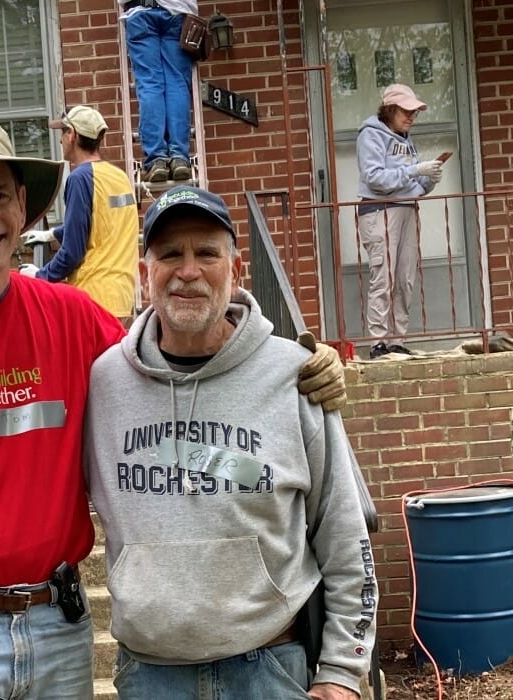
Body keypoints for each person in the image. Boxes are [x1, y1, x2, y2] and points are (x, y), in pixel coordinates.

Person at [0, 118, 348, 700]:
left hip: (58, 630)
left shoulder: (73, 320)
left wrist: (292, 358)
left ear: (23, 207)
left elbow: (174, 350)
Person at [84, 185, 376, 700]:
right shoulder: (104, 384)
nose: (188, 270)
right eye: (170, 254)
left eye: (206, 254)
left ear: (235, 270)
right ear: (143, 272)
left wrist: (342, 672)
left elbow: (346, 535)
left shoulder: (293, 375)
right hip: (151, 679)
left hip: (271, 669)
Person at [18, 105, 140, 322]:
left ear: (72, 135)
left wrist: (39, 276)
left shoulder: (79, 179)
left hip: (93, 298)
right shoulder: (118, 176)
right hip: (121, 296)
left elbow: (73, 252)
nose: (60, 140)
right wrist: (52, 234)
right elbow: (101, 225)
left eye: (63, 133)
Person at [355, 83, 443, 360]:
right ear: (390, 110)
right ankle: (378, 342)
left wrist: (429, 179)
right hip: (379, 211)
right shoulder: (370, 135)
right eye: (406, 111)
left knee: (405, 278)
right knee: (384, 278)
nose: (411, 117)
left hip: (407, 210)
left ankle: (397, 339)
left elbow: (412, 184)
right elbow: (375, 178)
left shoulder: (406, 140)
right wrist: (415, 170)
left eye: (414, 113)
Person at [120, 0, 196, 183]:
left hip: (141, 12)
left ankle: (157, 159)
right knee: (177, 83)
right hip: (177, 11)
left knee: (150, 84)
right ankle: (178, 158)